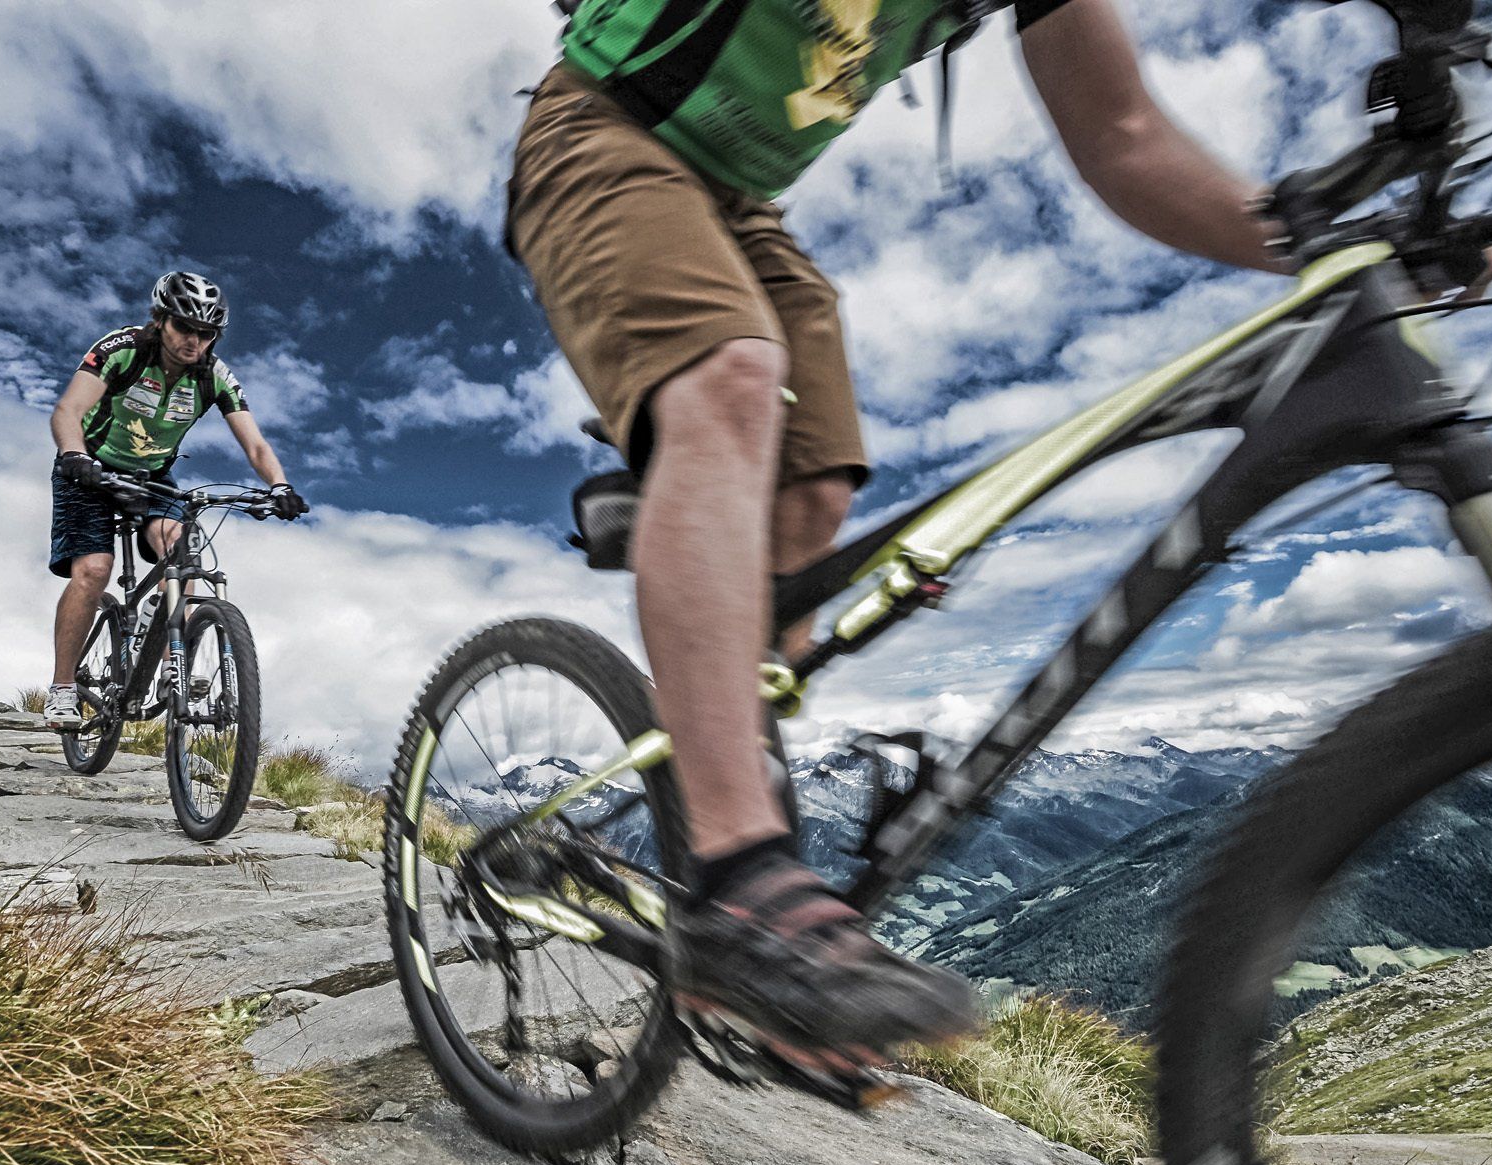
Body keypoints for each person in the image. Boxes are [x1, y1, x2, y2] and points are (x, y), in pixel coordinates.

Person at [506, 0, 1291, 1067]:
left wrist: (1327, 236)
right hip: (600, 123)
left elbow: (1125, 136)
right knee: (732, 376)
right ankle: (737, 879)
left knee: (819, 487)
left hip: (740, 204)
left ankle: (729, 699)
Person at [43, 271, 309, 729]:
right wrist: (73, 454)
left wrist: (280, 486)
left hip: (152, 476)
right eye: (185, 327)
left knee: (180, 548)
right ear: (160, 320)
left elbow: (255, 445)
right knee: (95, 570)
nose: (194, 340)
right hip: (88, 469)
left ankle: (172, 667)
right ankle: (63, 688)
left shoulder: (213, 376)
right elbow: (68, 410)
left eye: (206, 333)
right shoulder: (122, 350)